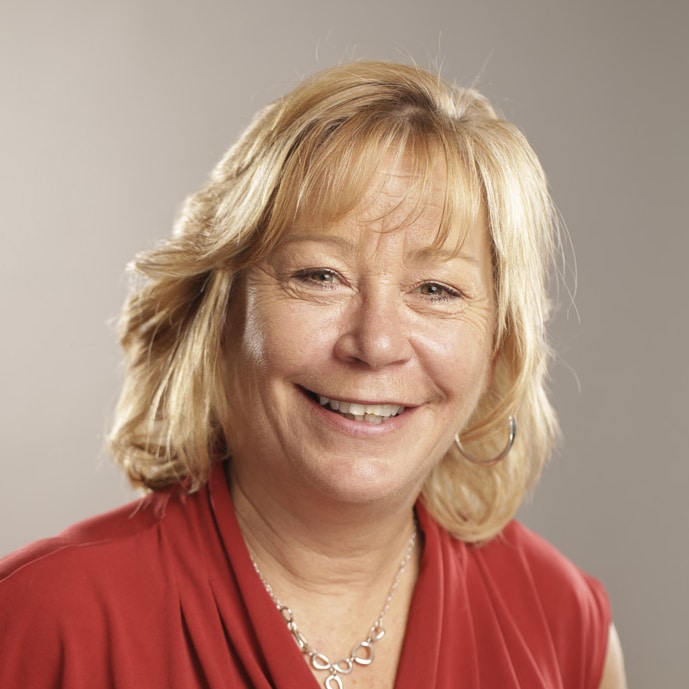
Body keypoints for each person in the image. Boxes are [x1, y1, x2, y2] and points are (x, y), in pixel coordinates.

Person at [0, 61, 627, 688]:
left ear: (497, 345)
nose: (375, 343)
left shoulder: (565, 629)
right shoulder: (44, 621)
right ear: (219, 312)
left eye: (436, 289)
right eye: (320, 276)